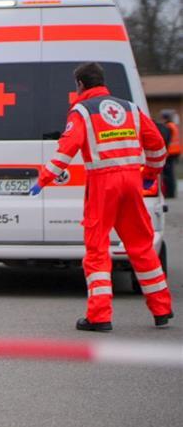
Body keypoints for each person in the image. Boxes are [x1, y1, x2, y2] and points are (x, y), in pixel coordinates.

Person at [29, 62, 172, 331]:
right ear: (102, 81)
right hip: (131, 181)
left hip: (102, 184)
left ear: (80, 84)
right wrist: (150, 174)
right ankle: (162, 309)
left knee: (97, 250)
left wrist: (43, 179)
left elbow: (66, 149)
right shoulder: (130, 108)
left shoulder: (82, 111)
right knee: (141, 246)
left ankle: (99, 316)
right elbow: (157, 145)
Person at [161, 110, 180, 199]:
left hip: (170, 152)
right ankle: (171, 192)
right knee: (171, 174)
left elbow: (166, 139)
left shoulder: (168, 126)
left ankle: (169, 193)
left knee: (168, 174)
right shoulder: (173, 125)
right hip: (175, 151)